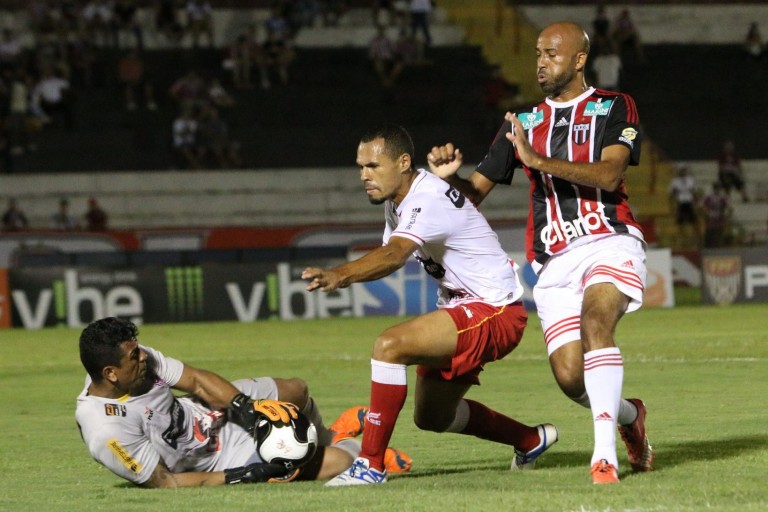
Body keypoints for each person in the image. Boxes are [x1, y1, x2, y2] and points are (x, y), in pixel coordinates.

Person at [428, 22, 653, 484]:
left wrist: (537, 162)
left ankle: (603, 457)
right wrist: (449, 179)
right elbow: (473, 196)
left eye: (551, 53)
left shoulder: (614, 105)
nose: (540, 62)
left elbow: (610, 176)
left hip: (609, 238)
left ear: (577, 59)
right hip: (554, 259)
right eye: (537, 53)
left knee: (597, 323)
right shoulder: (522, 124)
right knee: (571, 377)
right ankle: (631, 416)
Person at [302, 124, 558, 486]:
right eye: (360, 167)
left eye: (373, 166)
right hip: (466, 309)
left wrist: (340, 275)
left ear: (403, 162)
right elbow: (387, 256)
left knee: (389, 346)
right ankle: (530, 439)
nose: (364, 175)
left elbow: (394, 255)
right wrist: (349, 274)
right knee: (432, 417)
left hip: (494, 310)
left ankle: (371, 465)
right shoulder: (399, 201)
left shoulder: (427, 197)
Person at [75, 317, 410, 488]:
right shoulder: (107, 431)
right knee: (338, 462)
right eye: (134, 356)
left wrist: (247, 410)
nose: (144, 357)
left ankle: (329, 433)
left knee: (295, 390)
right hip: (213, 461)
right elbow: (165, 482)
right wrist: (245, 473)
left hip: (208, 414)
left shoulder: (138, 360)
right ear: (111, 373)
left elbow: (196, 380)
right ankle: (363, 454)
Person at [668, 165, 700, 247]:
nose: (682, 172)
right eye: (681, 170)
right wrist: (672, 207)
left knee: (694, 222)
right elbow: (671, 195)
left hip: (689, 203)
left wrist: (696, 205)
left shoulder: (691, 180)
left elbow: (695, 193)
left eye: (684, 170)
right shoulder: (674, 181)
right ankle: (683, 240)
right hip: (680, 203)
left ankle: (696, 240)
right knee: (680, 223)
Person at [701, 182, 732, 248]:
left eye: (718, 189)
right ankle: (708, 245)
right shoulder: (709, 197)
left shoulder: (722, 197)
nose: (717, 190)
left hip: (719, 216)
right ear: (713, 189)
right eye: (716, 188)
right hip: (711, 216)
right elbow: (702, 206)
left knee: (718, 231)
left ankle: (718, 245)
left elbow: (729, 207)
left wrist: (727, 215)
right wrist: (706, 213)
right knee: (710, 231)